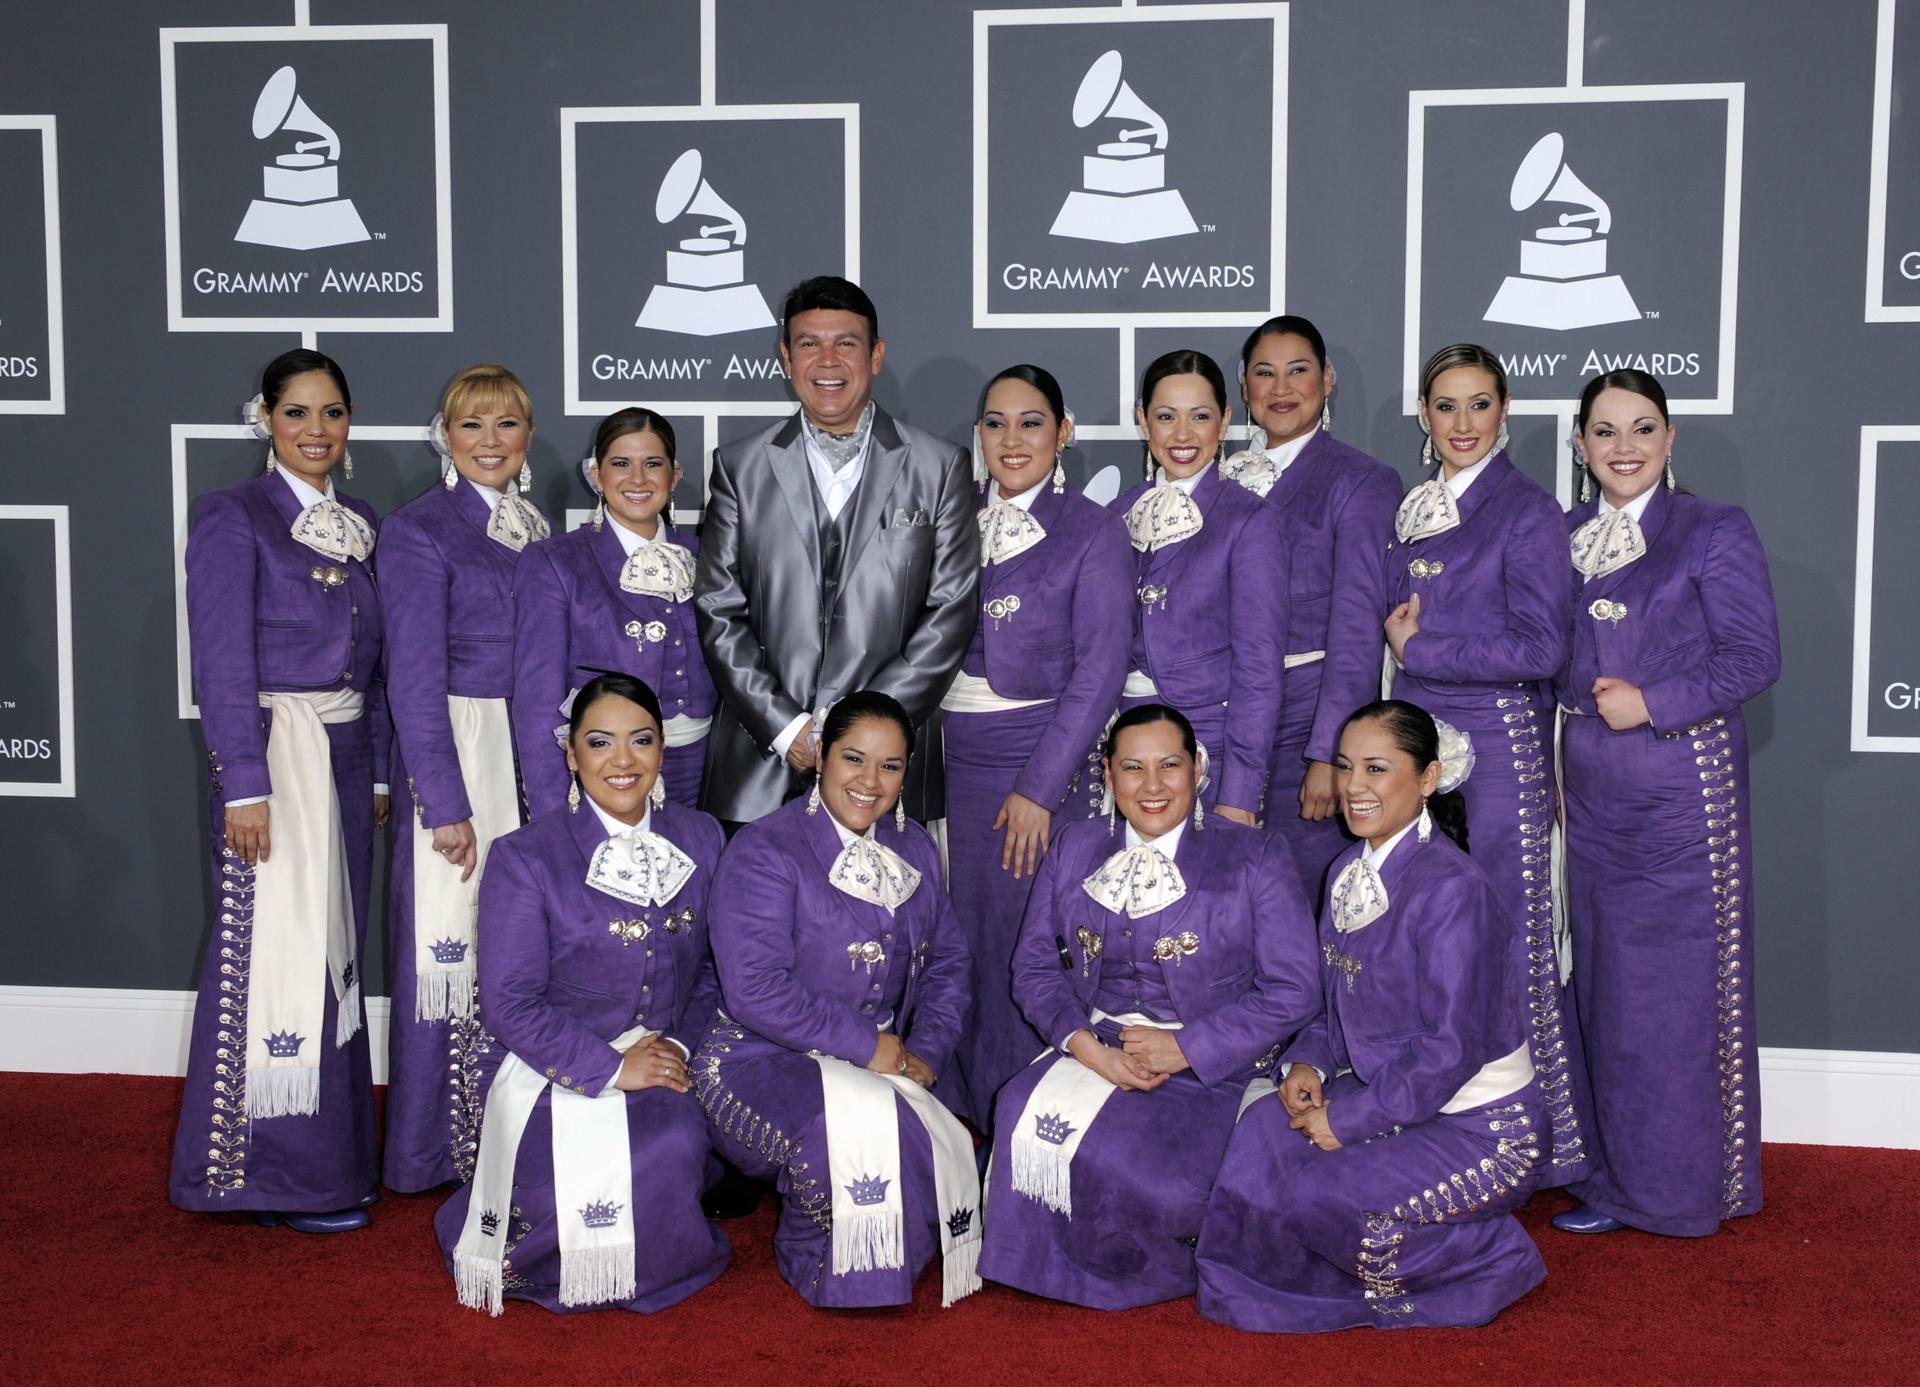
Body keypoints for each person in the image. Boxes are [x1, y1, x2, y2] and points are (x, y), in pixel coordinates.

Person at [1196, 700, 1548, 1332]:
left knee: (1315, 1194)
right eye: (1345, 765)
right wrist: (1309, 1060)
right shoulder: (1345, 873)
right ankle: (1277, 1275)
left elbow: (1450, 1050)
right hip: (1394, 1098)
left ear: (1429, 778)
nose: (1354, 787)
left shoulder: (1453, 890)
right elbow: (1337, 1008)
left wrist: (1349, 1119)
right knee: (1262, 1134)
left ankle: (1492, 1257)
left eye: (1377, 768)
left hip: (1483, 1130)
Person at [977, 704, 1319, 1310]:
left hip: (1211, 1065)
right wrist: (1086, 1048)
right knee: (1016, 1112)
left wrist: (1187, 1048)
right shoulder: (1074, 845)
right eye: (1132, 768)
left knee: (1156, 1183)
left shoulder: (1255, 855)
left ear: (1198, 770)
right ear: (1107, 777)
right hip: (1095, 1046)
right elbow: (1032, 969)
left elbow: (1295, 988)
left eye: (1170, 765)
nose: (1153, 785)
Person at [1551, 370, 1780, 1237]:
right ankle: (1616, 1179)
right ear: (1579, 445)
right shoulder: (1567, 533)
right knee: (1606, 990)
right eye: (1605, 432)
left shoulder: (1711, 528)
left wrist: (1654, 700)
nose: (1624, 447)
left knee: (1675, 994)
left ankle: (1685, 1190)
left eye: (1642, 428)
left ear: (1672, 436)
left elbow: (1753, 657)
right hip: (1590, 796)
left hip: (1682, 789)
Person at [169, 348, 388, 1231]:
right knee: (272, 961)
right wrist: (243, 788)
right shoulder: (233, 517)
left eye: (332, 412)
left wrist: (373, 765)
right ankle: (257, 1175)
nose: (316, 430)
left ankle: (333, 1162)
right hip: (272, 761)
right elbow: (221, 664)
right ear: (266, 418)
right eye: (297, 412)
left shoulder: (361, 519)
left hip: (344, 761)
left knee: (333, 960)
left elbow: (373, 667)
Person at [435, 674, 730, 1315]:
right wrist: (611, 1067)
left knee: (670, 1143)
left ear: (661, 751)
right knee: (573, 1180)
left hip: (667, 1055)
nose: (622, 761)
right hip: (546, 1065)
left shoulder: (703, 837)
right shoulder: (523, 857)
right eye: (600, 743)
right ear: (571, 753)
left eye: (641, 741)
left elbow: (714, 970)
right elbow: (509, 1003)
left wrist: (677, 1045)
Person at [692, 692, 980, 1308]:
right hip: (757, 1060)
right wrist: (866, 1046)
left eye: (892, 766)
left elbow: (950, 963)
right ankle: (821, 1258)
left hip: (888, 1059)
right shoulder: (765, 850)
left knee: (927, 1148)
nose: (871, 782)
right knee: (848, 1138)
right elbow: (755, 989)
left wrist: (926, 1051)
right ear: (819, 754)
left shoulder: (917, 849)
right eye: (854, 758)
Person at [1383, 343, 1587, 1187]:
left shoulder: (1528, 510)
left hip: (1498, 751)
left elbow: (1544, 646)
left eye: (1478, 404)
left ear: (1504, 411)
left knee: (1512, 944)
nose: (1462, 423)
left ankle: (1551, 1149)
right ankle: (1445, 1121)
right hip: (1419, 747)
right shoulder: (1416, 505)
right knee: (1430, 941)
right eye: (1445, 406)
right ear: (1425, 417)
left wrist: (1424, 648)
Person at [694, 276, 979, 826]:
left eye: (846, 342)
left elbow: (950, 614)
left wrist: (861, 739)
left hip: (887, 774)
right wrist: (789, 730)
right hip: (761, 765)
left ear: (876, 355)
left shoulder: (939, 466)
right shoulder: (739, 466)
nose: (827, 360)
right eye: (808, 343)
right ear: (785, 356)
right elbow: (719, 611)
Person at [939, 364, 1132, 1128]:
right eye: (995, 422)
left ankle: (1029, 1119)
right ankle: (959, 1117)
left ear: (1064, 431)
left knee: (1030, 943)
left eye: (1030, 422)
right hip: (945, 760)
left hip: (1033, 759)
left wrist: (1041, 785)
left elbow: (1102, 669)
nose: (1011, 439)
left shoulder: (1093, 527)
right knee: (957, 941)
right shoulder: (946, 516)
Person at [378, 364, 548, 1193]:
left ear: (528, 436)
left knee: (515, 948)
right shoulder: (419, 529)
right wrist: (443, 803)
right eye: (472, 426)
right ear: (445, 435)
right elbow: (410, 677)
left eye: (507, 425)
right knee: (446, 955)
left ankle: (502, 1134)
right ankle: (427, 1154)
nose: (490, 442)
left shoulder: (535, 525)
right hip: (459, 748)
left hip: (523, 753)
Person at [1223, 316, 1401, 906]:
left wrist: (1331, 753)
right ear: (1243, 387)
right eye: (1264, 373)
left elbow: (1356, 630)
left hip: (1303, 724)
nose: (1281, 388)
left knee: (1297, 907)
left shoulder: (1360, 481)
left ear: (1327, 380)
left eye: (1298, 371)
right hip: (1217, 725)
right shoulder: (1213, 478)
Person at [1111, 350, 1288, 826]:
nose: (1183, 435)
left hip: (1210, 743)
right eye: (1166, 417)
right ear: (1142, 421)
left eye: (1201, 417)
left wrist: (1241, 793)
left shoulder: (1250, 520)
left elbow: (1259, 668)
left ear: (1226, 421)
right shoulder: (1115, 515)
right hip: (1121, 748)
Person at [514, 408, 714, 817]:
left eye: (652, 464)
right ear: (596, 476)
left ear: (674, 476)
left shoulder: (706, 557)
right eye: (620, 463)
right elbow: (537, 698)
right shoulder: (556, 561)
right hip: (607, 772)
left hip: (705, 770)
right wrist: (551, 808)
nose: (637, 479)